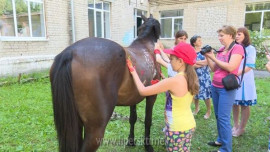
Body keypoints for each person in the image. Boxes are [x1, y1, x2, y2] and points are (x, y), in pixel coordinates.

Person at [127, 42, 199, 152]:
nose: (170, 61)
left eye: (172, 59)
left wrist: (133, 71)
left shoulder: (173, 81)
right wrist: (164, 81)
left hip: (176, 129)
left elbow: (142, 91)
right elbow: (177, 92)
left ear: (180, 61)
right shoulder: (190, 77)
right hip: (188, 125)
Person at [204, 25, 244, 152]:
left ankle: (226, 148)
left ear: (230, 36)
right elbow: (213, 68)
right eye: (219, 35)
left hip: (226, 88)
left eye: (221, 35)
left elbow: (231, 67)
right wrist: (207, 56)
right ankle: (221, 139)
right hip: (215, 86)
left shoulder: (238, 48)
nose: (219, 38)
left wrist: (213, 57)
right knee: (218, 116)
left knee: (223, 118)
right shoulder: (222, 49)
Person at [232, 27, 257, 137]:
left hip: (245, 80)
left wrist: (235, 73)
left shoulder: (250, 48)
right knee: (234, 103)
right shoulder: (234, 47)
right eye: (236, 34)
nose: (236, 36)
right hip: (233, 79)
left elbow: (250, 66)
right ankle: (236, 125)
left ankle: (242, 128)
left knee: (244, 104)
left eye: (239, 34)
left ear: (245, 36)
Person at [190, 35, 212, 119]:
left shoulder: (204, 51)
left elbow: (207, 62)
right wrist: (199, 63)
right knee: (195, 93)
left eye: (200, 40)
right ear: (194, 43)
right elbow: (191, 64)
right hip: (194, 75)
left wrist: (196, 62)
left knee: (206, 94)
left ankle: (208, 110)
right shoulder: (191, 52)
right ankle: (196, 108)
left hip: (204, 76)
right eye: (199, 40)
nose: (201, 42)